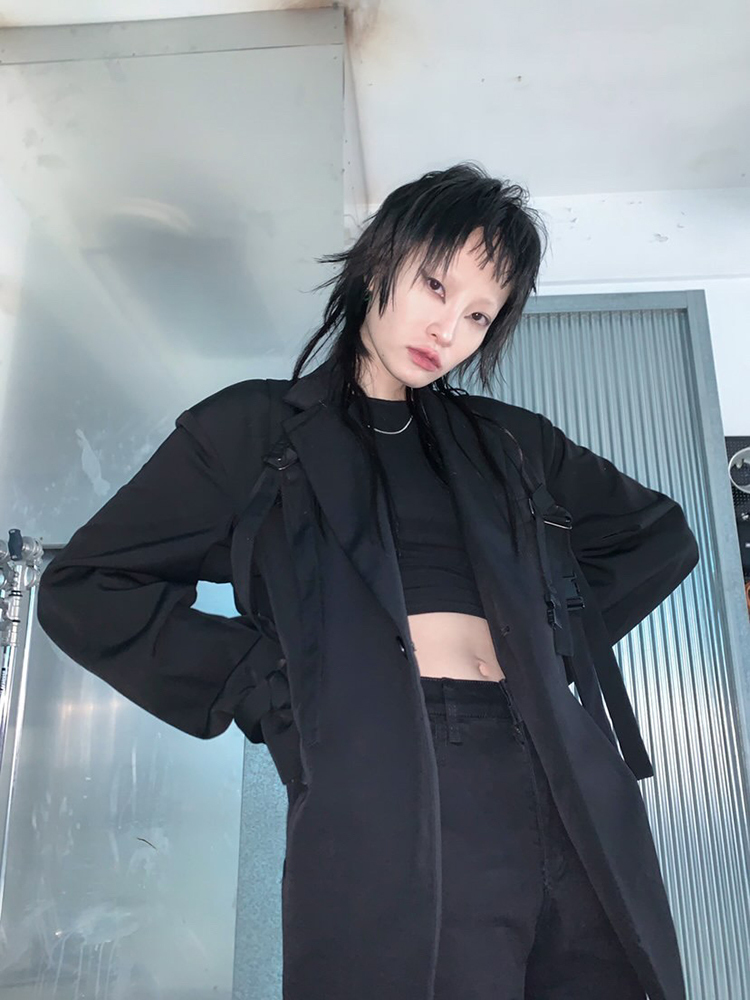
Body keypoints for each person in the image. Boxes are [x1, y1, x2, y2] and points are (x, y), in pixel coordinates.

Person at [37, 162, 699, 1000]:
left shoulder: (509, 441)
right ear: (379, 259)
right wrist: (266, 684)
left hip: (563, 768)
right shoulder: (254, 430)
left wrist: (542, 641)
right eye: (435, 285)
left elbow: (658, 537)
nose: (448, 328)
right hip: (397, 768)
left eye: (478, 315)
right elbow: (88, 585)